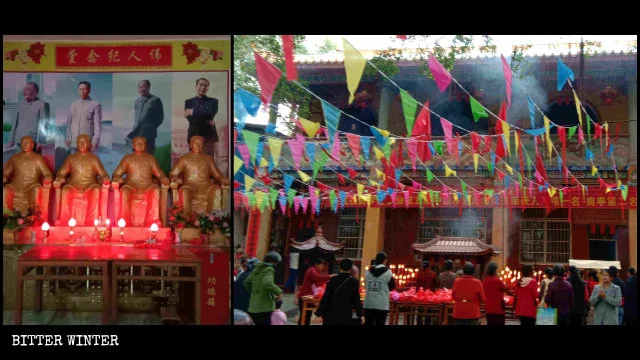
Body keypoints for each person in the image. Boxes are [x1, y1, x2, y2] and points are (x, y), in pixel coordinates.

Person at [111, 137, 169, 227]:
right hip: (131, 186)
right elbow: (116, 173)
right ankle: (125, 221)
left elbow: (160, 174)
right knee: (125, 190)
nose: (140, 145)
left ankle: (153, 220)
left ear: (145, 145)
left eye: (142, 143)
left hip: (147, 186)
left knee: (156, 190)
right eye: (137, 143)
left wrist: (163, 178)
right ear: (133, 145)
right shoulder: (127, 158)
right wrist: (116, 178)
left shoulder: (150, 159)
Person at [315, 258, 363, 325]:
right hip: (345, 314)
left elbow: (326, 297)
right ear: (350, 269)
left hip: (331, 314)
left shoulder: (333, 280)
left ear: (340, 267)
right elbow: (356, 300)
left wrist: (319, 312)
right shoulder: (354, 282)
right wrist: (360, 314)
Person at [7, 82, 49, 153]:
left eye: (28, 89)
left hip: (33, 141)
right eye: (24, 89)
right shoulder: (20, 104)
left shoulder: (43, 104)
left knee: (32, 162)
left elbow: (44, 124)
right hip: (20, 139)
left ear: (36, 91)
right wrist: (11, 139)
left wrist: (41, 142)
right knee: (21, 161)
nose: (25, 91)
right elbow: (15, 123)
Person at [244, 251, 283, 325]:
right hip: (264, 307)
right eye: (276, 263)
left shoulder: (256, 268)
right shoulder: (269, 269)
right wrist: (279, 292)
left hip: (253, 307)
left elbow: (247, 283)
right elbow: (267, 283)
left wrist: (255, 292)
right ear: (273, 262)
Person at [127, 80, 164, 155]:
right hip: (136, 135)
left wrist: (150, 128)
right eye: (140, 87)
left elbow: (160, 118)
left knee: (148, 157)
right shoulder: (137, 101)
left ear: (148, 87)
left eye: (143, 87)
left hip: (148, 136)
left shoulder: (155, 100)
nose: (141, 89)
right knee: (136, 157)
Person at [184, 78, 218, 156]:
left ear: (208, 88)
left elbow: (210, 114)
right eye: (201, 85)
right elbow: (191, 120)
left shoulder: (213, 101)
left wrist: (191, 111)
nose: (202, 87)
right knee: (194, 161)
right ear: (196, 86)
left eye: (205, 85)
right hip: (193, 135)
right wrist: (206, 117)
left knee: (208, 161)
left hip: (208, 136)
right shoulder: (188, 102)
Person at [65, 81, 102, 152]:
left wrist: (95, 141)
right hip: (74, 141)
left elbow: (98, 126)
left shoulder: (95, 104)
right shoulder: (73, 104)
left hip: (87, 142)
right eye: (80, 89)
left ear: (89, 90)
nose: (82, 91)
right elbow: (69, 122)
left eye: (84, 89)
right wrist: (67, 137)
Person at [363, 252, 395, 326]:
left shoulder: (368, 271)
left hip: (369, 303)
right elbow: (392, 286)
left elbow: (366, 284)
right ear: (385, 260)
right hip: (382, 304)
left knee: (368, 323)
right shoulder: (388, 272)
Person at [297, 258, 333, 325]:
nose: (322, 267)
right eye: (321, 265)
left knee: (308, 316)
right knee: (304, 316)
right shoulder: (311, 270)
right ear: (316, 264)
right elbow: (318, 277)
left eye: (323, 266)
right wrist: (329, 276)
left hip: (310, 296)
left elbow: (321, 281)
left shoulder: (317, 271)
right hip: (304, 295)